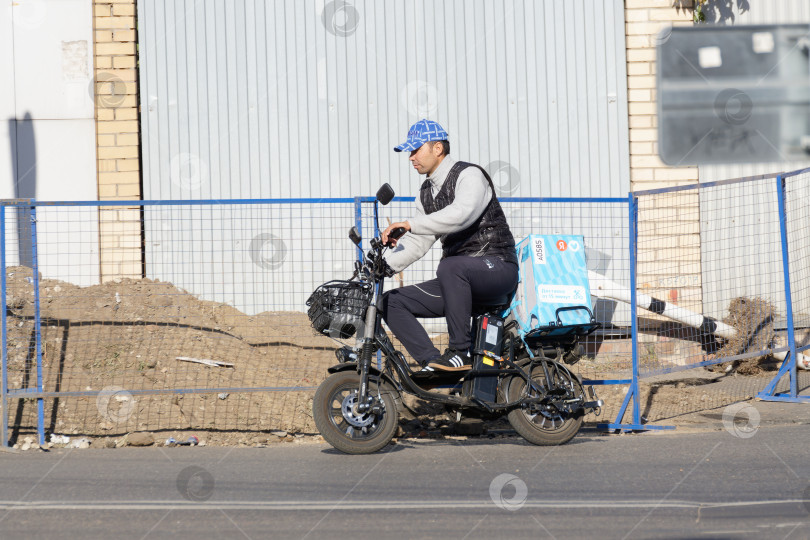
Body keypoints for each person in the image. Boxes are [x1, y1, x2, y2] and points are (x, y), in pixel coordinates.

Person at [380, 119, 519, 372]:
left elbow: (461, 214)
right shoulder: (425, 194)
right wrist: (381, 265)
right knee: (390, 302)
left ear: (437, 149)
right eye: (409, 152)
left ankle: (460, 352)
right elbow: (418, 243)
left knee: (450, 267)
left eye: (415, 149)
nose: (411, 158)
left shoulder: (470, 175)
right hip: (460, 281)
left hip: (497, 267)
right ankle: (433, 362)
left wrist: (410, 223)